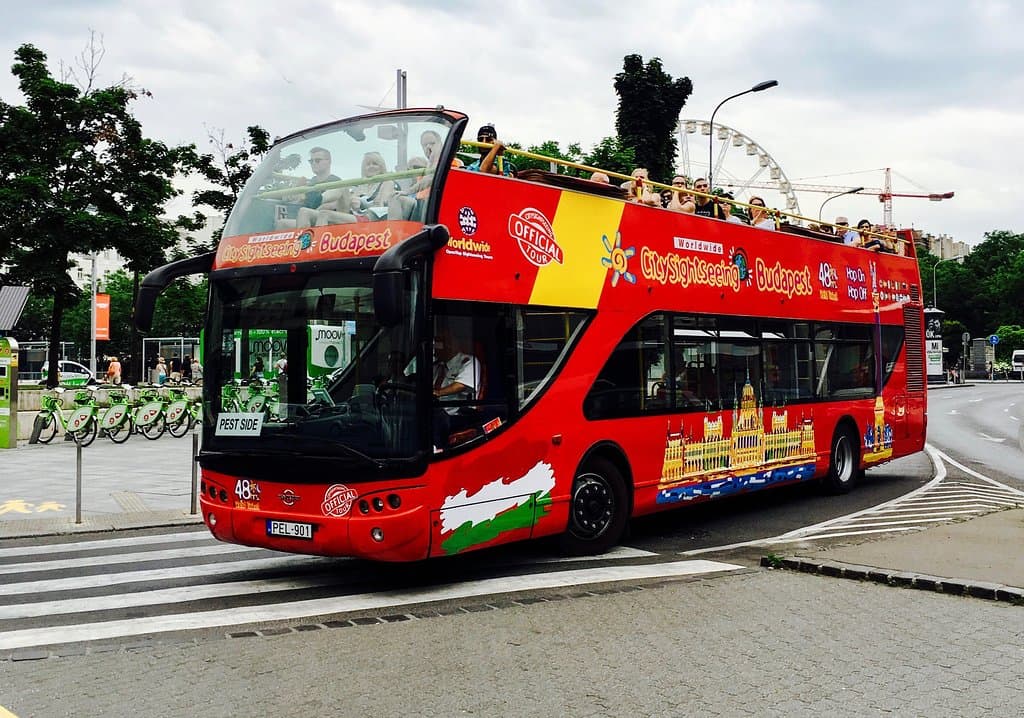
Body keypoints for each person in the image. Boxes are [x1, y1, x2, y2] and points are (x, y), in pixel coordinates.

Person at [432, 326, 482, 449]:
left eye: (438, 345)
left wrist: (437, 393)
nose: (435, 350)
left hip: (457, 414)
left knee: (434, 418)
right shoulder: (436, 366)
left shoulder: (469, 361)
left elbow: (460, 385)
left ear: (450, 345)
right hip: (435, 411)